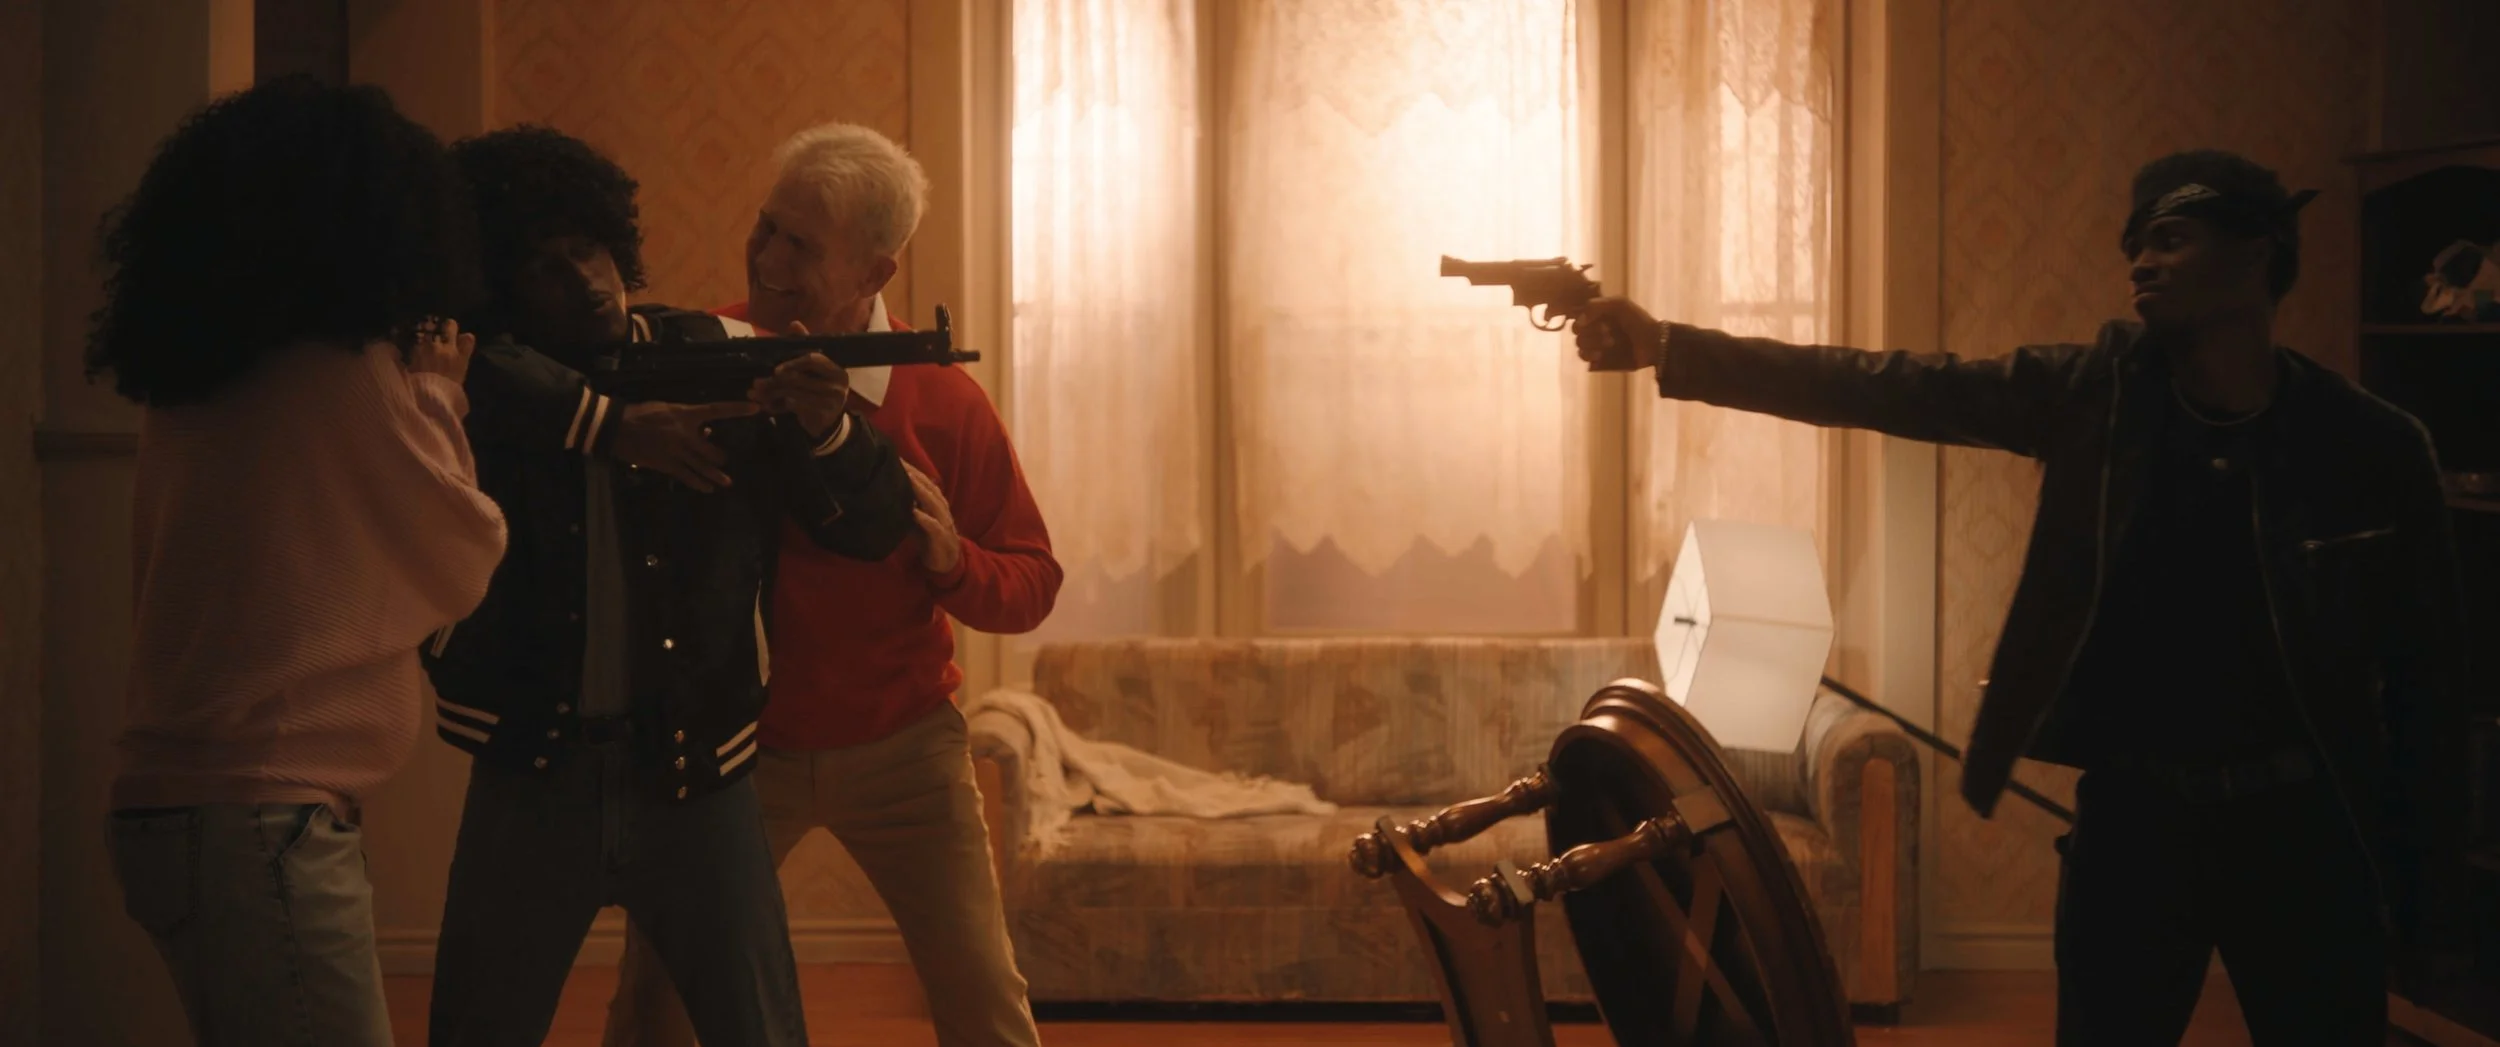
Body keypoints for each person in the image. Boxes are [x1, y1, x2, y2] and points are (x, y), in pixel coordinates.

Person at [1573, 150, 2470, 1044]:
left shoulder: (2372, 447)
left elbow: (2433, 687)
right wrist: (1669, 345)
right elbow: (1889, 385)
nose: (2140, 263)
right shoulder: (2094, 394)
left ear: (2257, 253)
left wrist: (2432, 898)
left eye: (2170, 238)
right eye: (2135, 245)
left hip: (2303, 827)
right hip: (2137, 822)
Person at [420, 126, 917, 1047]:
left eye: (594, 249)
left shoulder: (713, 349)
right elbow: (469, 366)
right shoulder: (470, 386)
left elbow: (874, 529)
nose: (590, 281)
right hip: (533, 770)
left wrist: (828, 433)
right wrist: (609, 426)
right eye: (548, 266)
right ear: (497, 288)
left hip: (699, 774)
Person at [605, 122, 1062, 1047]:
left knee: (985, 1000)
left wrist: (952, 564)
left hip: (906, 744)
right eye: (765, 228)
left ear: (875, 275)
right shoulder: (705, 357)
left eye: (801, 246)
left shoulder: (943, 398)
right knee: (655, 1006)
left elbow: (1032, 582)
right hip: (740, 745)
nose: (768, 258)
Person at [93, 76, 509, 1047]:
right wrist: (441, 395)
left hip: (173, 806)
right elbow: (458, 551)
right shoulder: (341, 375)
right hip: (261, 814)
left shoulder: (195, 373)